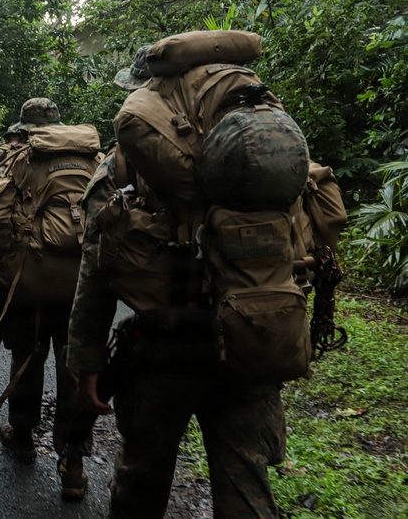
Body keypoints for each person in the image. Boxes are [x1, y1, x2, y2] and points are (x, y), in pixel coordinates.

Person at [68, 45, 288, 517]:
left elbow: (97, 268)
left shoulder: (125, 164)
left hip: (162, 352)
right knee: (246, 480)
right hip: (251, 341)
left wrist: (86, 361)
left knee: (142, 478)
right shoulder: (261, 153)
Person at [0, 98, 96, 502]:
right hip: (82, 288)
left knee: (27, 357)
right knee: (74, 367)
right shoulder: (92, 160)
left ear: (25, 126)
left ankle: (23, 436)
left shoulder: (16, 160)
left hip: (27, 283)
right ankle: (73, 462)